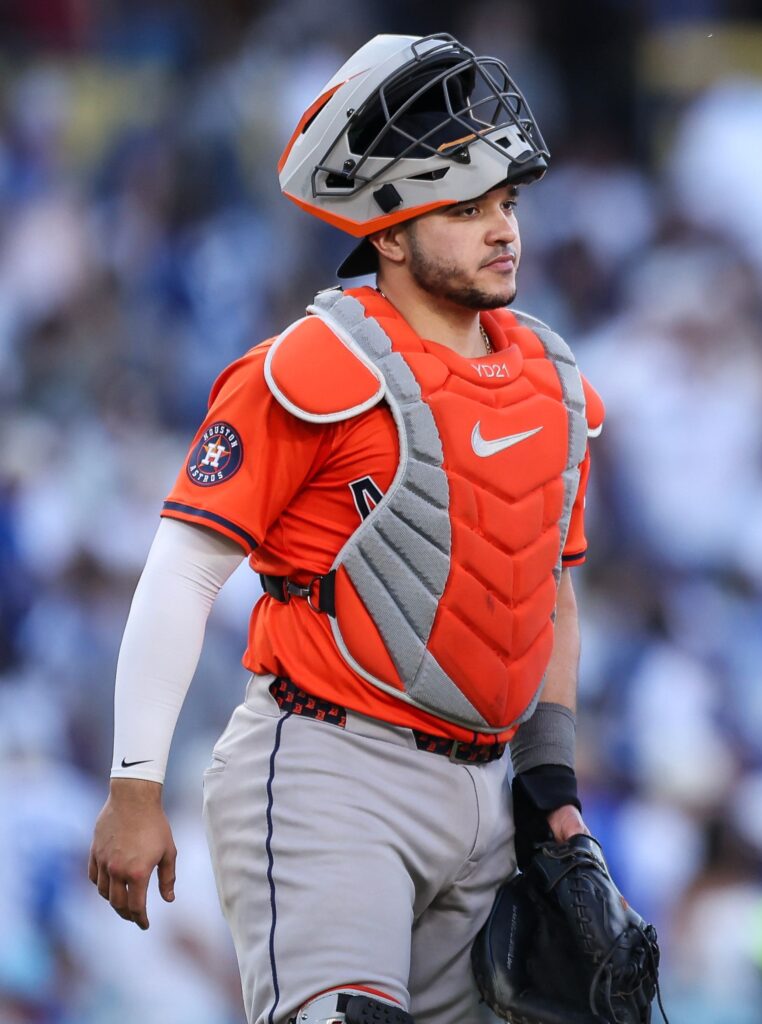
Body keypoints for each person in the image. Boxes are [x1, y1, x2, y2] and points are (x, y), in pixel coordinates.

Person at [85, 33, 606, 1023]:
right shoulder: (312, 366)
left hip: (486, 791)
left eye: (507, 203)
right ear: (390, 235)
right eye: (465, 209)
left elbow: (551, 593)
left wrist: (551, 782)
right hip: (332, 767)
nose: (503, 230)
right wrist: (135, 785)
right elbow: (186, 569)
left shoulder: (553, 378)